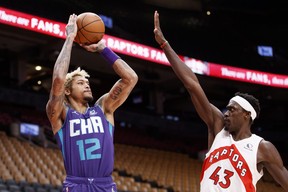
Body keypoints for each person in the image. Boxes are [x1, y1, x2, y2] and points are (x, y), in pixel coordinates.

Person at [153, 11, 288, 191]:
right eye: (227, 109)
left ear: (247, 115)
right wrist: (164, 44)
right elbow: (192, 85)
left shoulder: (262, 148)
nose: (226, 113)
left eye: (232, 110)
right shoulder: (218, 128)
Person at [46, 14, 138, 192]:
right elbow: (58, 78)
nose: (87, 84)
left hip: (105, 184)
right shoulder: (61, 114)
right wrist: (70, 38)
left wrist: (103, 49)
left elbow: (131, 78)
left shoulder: (104, 108)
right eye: (80, 83)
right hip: (76, 184)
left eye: (87, 82)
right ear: (67, 91)